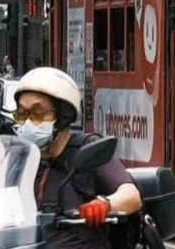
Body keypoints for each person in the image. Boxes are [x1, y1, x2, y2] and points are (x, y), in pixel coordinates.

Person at [15, 67, 142, 249]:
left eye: (37, 113)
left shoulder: (88, 150)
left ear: (62, 116)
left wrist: (104, 205)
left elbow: (131, 196)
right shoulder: (21, 159)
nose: (27, 123)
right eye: (21, 114)